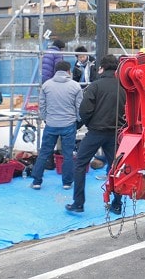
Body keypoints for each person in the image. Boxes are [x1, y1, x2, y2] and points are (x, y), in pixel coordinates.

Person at [66, 54, 125, 214]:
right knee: (117, 168)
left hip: (96, 132)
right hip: (116, 133)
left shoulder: (95, 86)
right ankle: (117, 203)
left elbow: (84, 110)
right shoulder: (124, 87)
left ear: (102, 67)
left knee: (80, 164)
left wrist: (89, 124)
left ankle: (78, 203)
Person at [31, 61, 83, 190]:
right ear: (68, 71)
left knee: (44, 153)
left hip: (51, 123)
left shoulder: (46, 85)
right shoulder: (75, 86)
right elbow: (79, 107)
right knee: (68, 154)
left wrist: (45, 118)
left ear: (55, 71)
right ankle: (67, 182)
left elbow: (42, 105)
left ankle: (37, 181)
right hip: (69, 124)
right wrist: (77, 120)